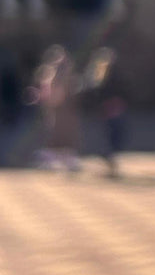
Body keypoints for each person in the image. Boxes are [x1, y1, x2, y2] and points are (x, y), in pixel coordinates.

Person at [28, 45, 82, 171]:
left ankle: (65, 159)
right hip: (56, 108)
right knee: (56, 134)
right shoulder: (53, 72)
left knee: (62, 134)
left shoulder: (60, 72)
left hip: (61, 109)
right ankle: (53, 159)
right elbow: (51, 92)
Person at [82, 47, 128, 177]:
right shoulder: (102, 74)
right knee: (112, 137)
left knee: (113, 137)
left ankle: (110, 163)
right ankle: (110, 163)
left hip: (111, 108)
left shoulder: (102, 74)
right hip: (110, 108)